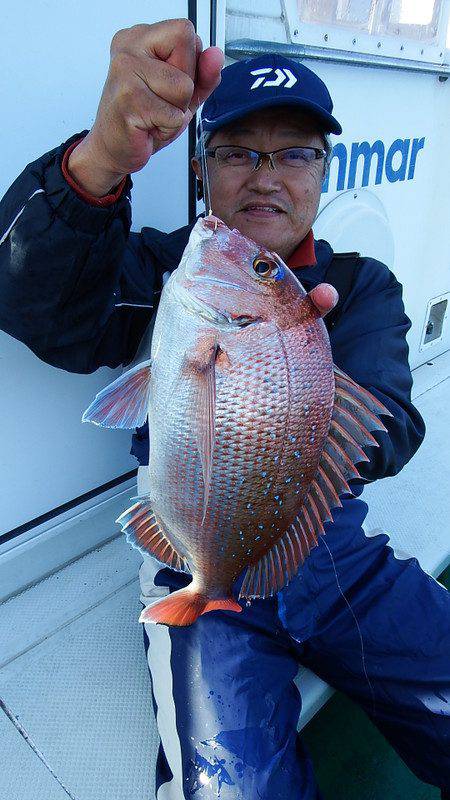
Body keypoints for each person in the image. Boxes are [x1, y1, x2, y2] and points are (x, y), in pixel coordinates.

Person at [0, 18, 448, 800]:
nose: (266, 177)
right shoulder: (173, 276)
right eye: (238, 152)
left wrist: (289, 400)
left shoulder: (361, 284)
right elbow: (38, 304)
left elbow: (395, 425)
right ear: (203, 171)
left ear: (324, 169)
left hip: (338, 559)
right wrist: (100, 163)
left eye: (294, 152)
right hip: (196, 561)